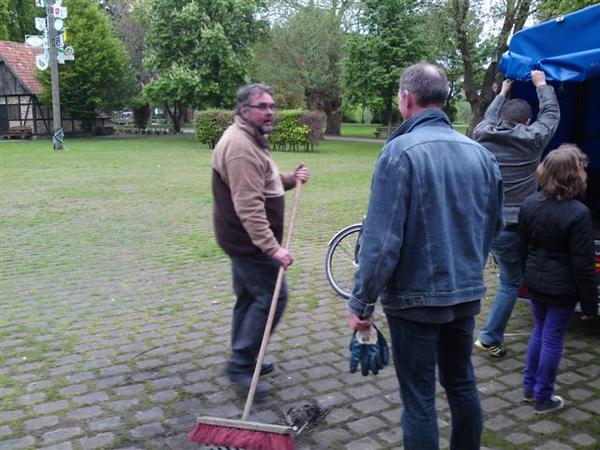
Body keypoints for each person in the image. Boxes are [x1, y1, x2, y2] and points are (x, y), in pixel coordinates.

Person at [348, 63, 503, 450]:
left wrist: (361, 303)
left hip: (414, 300)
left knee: (419, 399)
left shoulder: (398, 153)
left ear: (406, 99)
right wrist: (467, 267)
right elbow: (493, 225)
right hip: (464, 292)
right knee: (462, 383)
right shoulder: (481, 154)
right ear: (443, 98)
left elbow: (382, 242)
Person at [212, 83, 309, 393]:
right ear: (244, 111)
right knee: (271, 298)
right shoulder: (241, 147)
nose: (270, 112)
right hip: (249, 242)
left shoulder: (249, 139)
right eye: (263, 107)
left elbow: (262, 179)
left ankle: (244, 357)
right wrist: (273, 248)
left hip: (241, 239)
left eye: (272, 106)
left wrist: (290, 180)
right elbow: (249, 206)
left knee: (249, 297)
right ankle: (241, 363)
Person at [473, 70, 560, 358]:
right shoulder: (532, 138)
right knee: (512, 281)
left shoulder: (482, 134)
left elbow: (488, 117)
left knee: (513, 274)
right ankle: (489, 337)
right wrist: (541, 85)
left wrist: (501, 93)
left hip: (488, 224)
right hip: (515, 227)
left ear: (501, 120)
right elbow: (551, 114)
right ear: (527, 123)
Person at [518, 144, 597, 414]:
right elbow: (583, 264)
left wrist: (525, 277)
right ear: (574, 175)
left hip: (535, 283)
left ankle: (529, 388)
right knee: (551, 339)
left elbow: (522, 247)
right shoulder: (579, 213)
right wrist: (590, 304)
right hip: (561, 290)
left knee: (539, 331)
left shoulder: (530, 203)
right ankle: (543, 398)